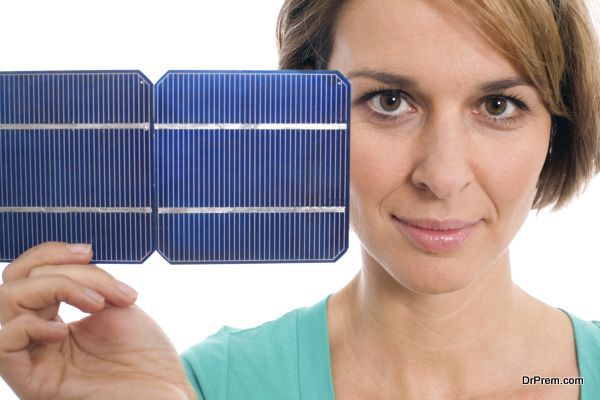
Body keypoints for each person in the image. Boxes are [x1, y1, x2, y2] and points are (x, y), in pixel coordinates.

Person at [1, 0, 599, 398]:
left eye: (498, 106)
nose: (441, 177)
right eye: (389, 101)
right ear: (303, 111)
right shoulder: (199, 385)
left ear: (558, 130)